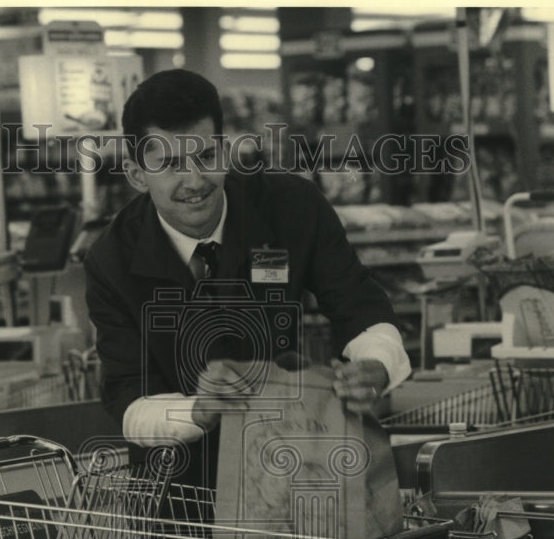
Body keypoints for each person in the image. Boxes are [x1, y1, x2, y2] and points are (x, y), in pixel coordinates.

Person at [84, 68, 411, 493]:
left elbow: (359, 304)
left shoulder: (292, 208)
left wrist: (377, 363)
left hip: (295, 474)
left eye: (205, 157)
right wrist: (197, 411)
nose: (195, 181)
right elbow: (127, 398)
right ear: (136, 173)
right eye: (169, 165)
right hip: (180, 500)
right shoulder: (111, 260)